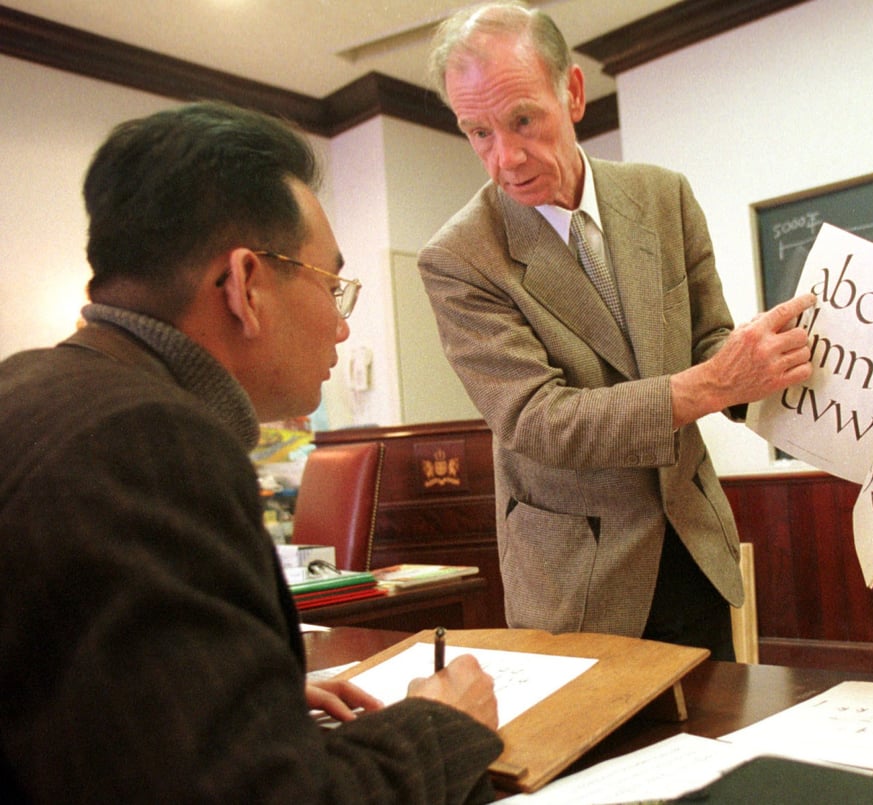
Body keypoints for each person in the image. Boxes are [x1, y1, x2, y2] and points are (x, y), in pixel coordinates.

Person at [0, 102, 502, 803]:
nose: (341, 321)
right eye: (332, 286)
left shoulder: (28, 387)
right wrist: (441, 724)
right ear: (245, 283)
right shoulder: (150, 442)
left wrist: (234, 689)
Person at [419, 2, 815, 660]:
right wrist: (715, 382)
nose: (506, 157)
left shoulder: (663, 196)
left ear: (571, 92)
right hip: (580, 584)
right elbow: (543, 422)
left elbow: (710, 345)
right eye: (477, 132)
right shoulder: (460, 258)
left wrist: (803, 378)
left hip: (694, 548)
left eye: (523, 120)